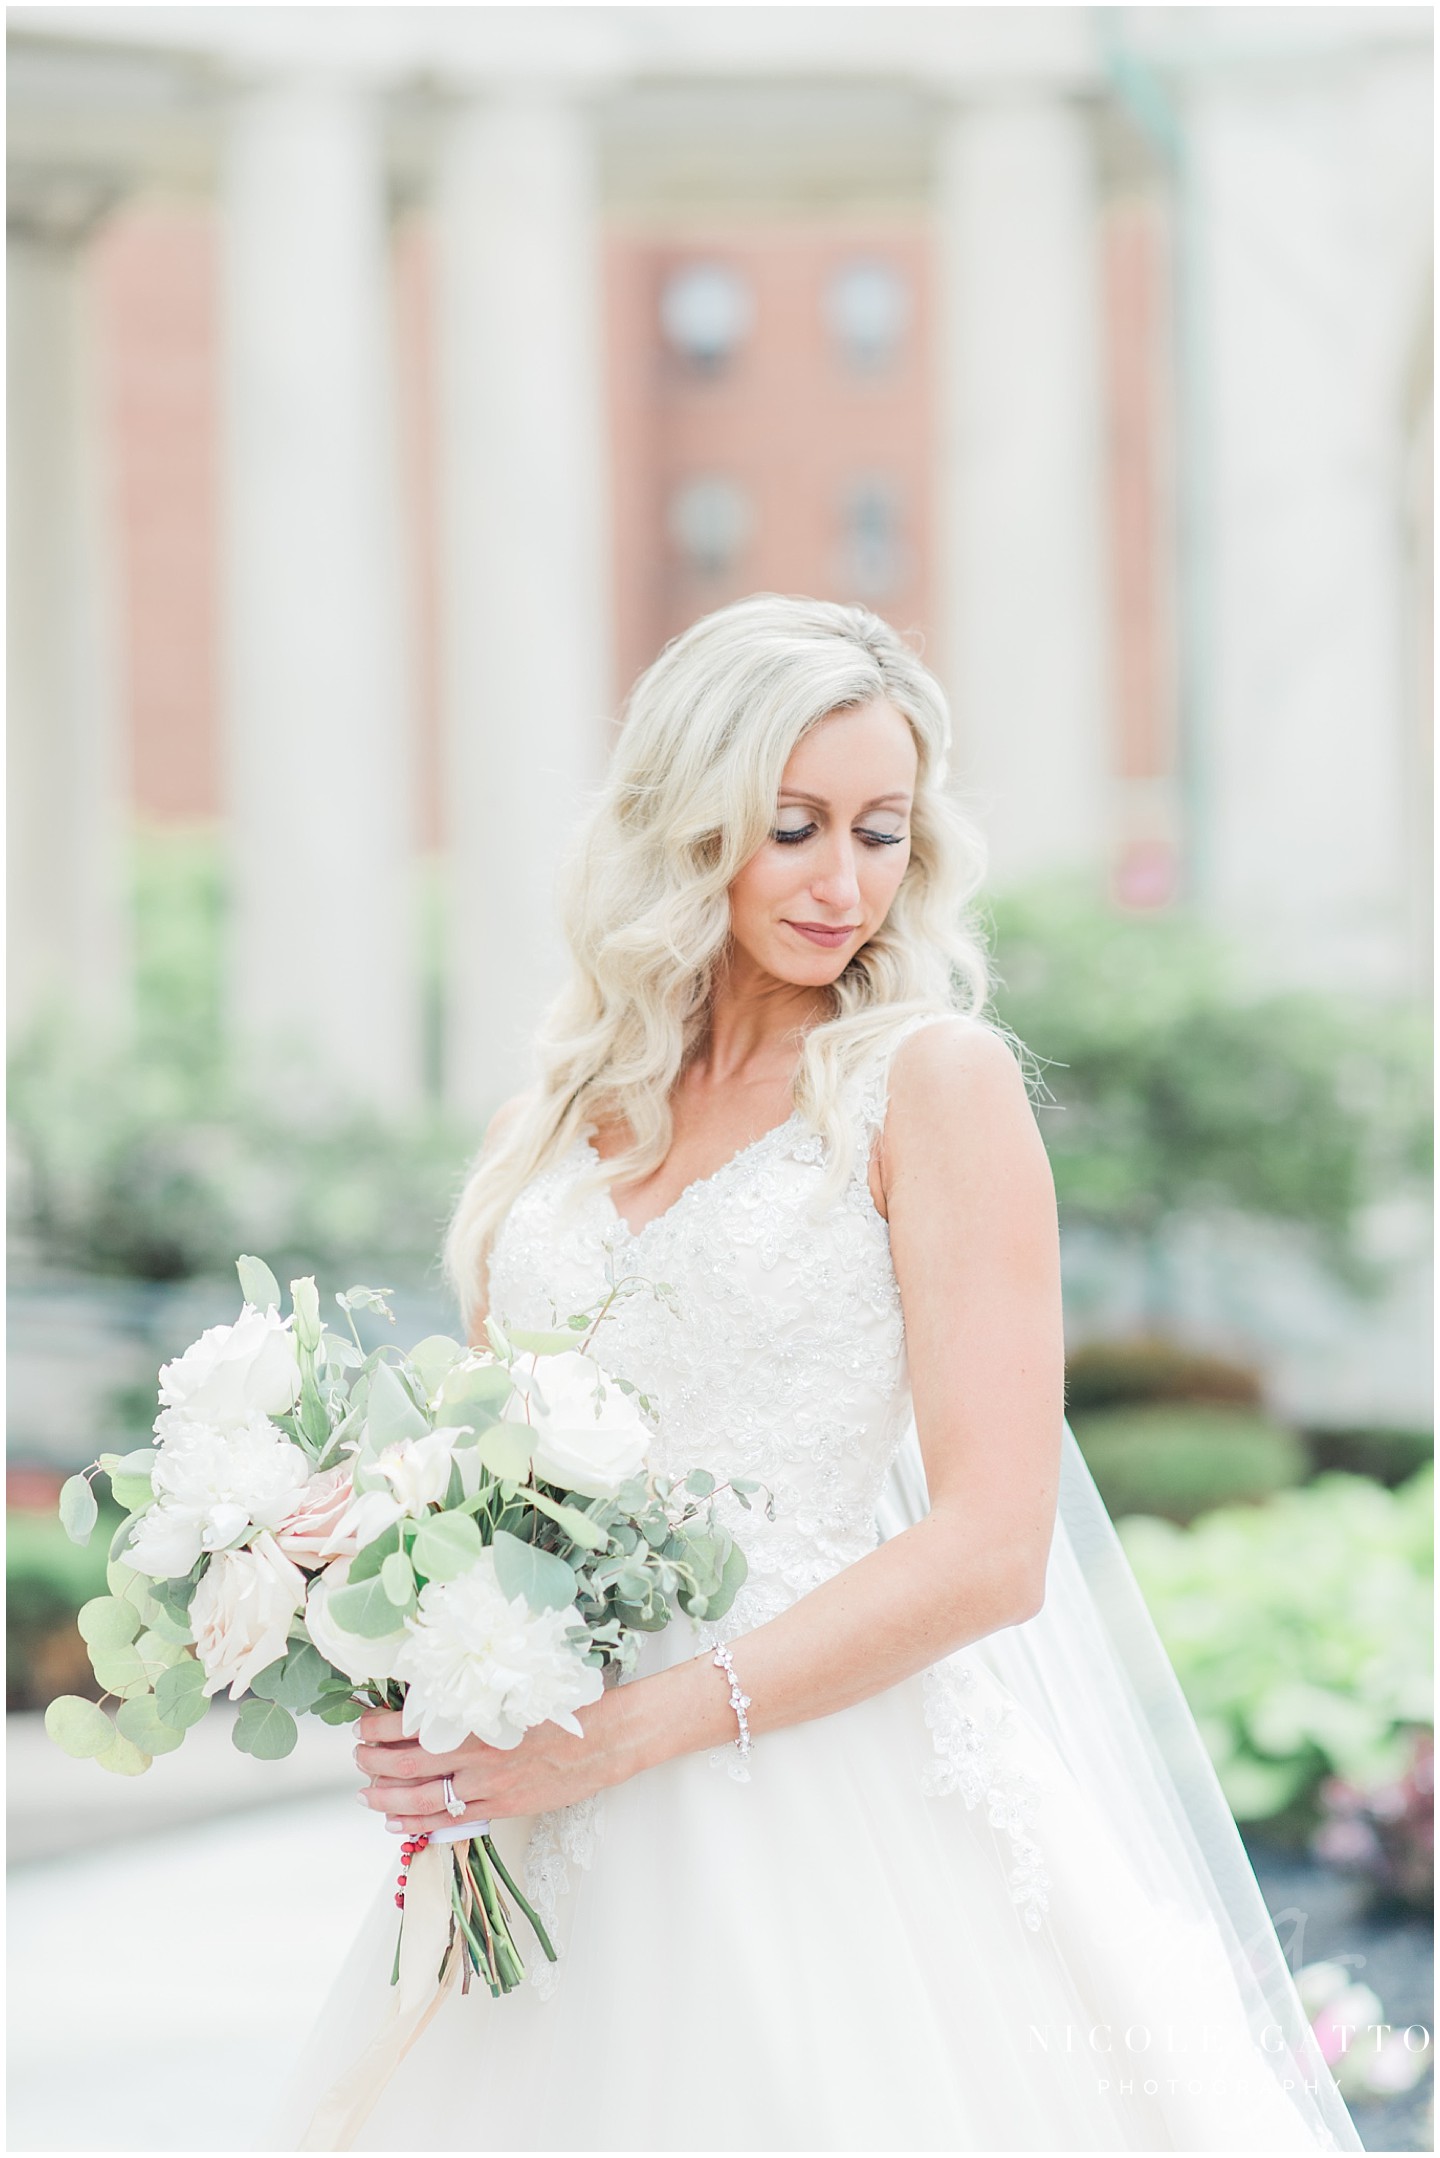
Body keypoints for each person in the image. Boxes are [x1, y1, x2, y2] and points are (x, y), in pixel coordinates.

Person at [277, 597, 1359, 2152]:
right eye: (790, 827)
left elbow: (994, 1548)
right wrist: (415, 1682)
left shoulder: (930, 1085)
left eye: (880, 831)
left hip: (835, 1797)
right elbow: (489, 1481)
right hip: (545, 1820)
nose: (843, 882)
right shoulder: (572, 1107)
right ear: (687, 819)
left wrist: (644, 1725)